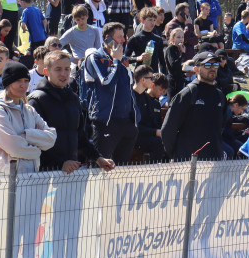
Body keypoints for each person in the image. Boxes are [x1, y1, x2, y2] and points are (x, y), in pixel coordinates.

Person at [29, 50, 114, 173]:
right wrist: (60, 164)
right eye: (58, 69)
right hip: (44, 174)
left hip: (72, 170)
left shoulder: (73, 98)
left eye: (67, 69)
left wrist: (98, 158)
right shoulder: (36, 100)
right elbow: (34, 142)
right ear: (46, 71)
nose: (63, 74)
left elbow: (80, 137)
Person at [0, 61, 57, 174]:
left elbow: (51, 138)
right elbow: (13, 147)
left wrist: (27, 135)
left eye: (26, 80)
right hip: (3, 176)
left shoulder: (29, 110)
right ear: (8, 83)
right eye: (18, 80)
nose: (23, 85)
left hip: (30, 174)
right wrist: (37, 151)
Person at [82, 22, 140, 164]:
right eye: (119, 37)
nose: (123, 40)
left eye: (124, 36)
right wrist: (116, 61)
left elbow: (130, 84)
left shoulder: (123, 59)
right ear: (108, 38)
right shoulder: (95, 57)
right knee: (102, 166)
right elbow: (106, 83)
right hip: (106, 120)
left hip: (127, 121)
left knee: (122, 166)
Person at [161, 51, 227, 160]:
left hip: (214, 160)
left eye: (215, 64)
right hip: (189, 160)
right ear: (196, 69)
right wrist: (175, 155)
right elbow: (168, 129)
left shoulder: (219, 95)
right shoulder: (188, 93)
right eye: (207, 65)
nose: (212, 68)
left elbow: (222, 127)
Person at [130, 65, 167, 162]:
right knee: (158, 143)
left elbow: (153, 122)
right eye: (151, 78)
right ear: (143, 79)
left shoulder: (148, 99)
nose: (153, 81)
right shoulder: (130, 96)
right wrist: (155, 132)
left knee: (167, 140)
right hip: (133, 136)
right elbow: (133, 125)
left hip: (146, 135)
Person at [125, 7, 164, 73]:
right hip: (140, 74)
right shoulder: (135, 38)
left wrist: (163, 75)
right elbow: (125, 59)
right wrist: (137, 58)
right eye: (150, 20)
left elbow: (162, 60)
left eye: (154, 20)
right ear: (142, 21)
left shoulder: (158, 39)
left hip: (154, 74)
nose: (152, 23)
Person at [163, 26, 188, 98]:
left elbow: (178, 67)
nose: (181, 39)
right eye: (178, 37)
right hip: (173, 82)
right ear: (172, 39)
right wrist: (182, 54)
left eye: (182, 37)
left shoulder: (178, 49)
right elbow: (173, 65)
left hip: (179, 80)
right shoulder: (171, 49)